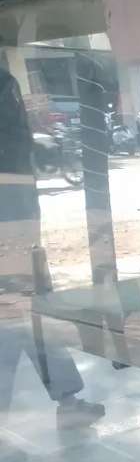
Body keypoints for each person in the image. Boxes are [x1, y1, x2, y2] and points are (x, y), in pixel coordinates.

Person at [0, 63, 104, 429]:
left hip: (19, 226)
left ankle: (68, 399)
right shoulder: (3, 84)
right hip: (11, 226)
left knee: (34, 314)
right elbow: (13, 152)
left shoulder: (5, 82)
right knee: (17, 318)